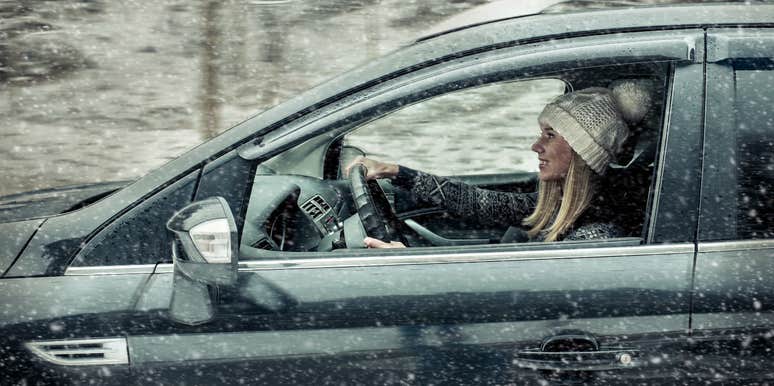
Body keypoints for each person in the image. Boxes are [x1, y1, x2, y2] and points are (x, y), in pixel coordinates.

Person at [345, 80, 653, 249]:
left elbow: (516, 292)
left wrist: (412, 264)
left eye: (549, 135)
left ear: (580, 151)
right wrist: (397, 171)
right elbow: (481, 203)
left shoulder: (594, 236)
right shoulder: (563, 207)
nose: (536, 146)